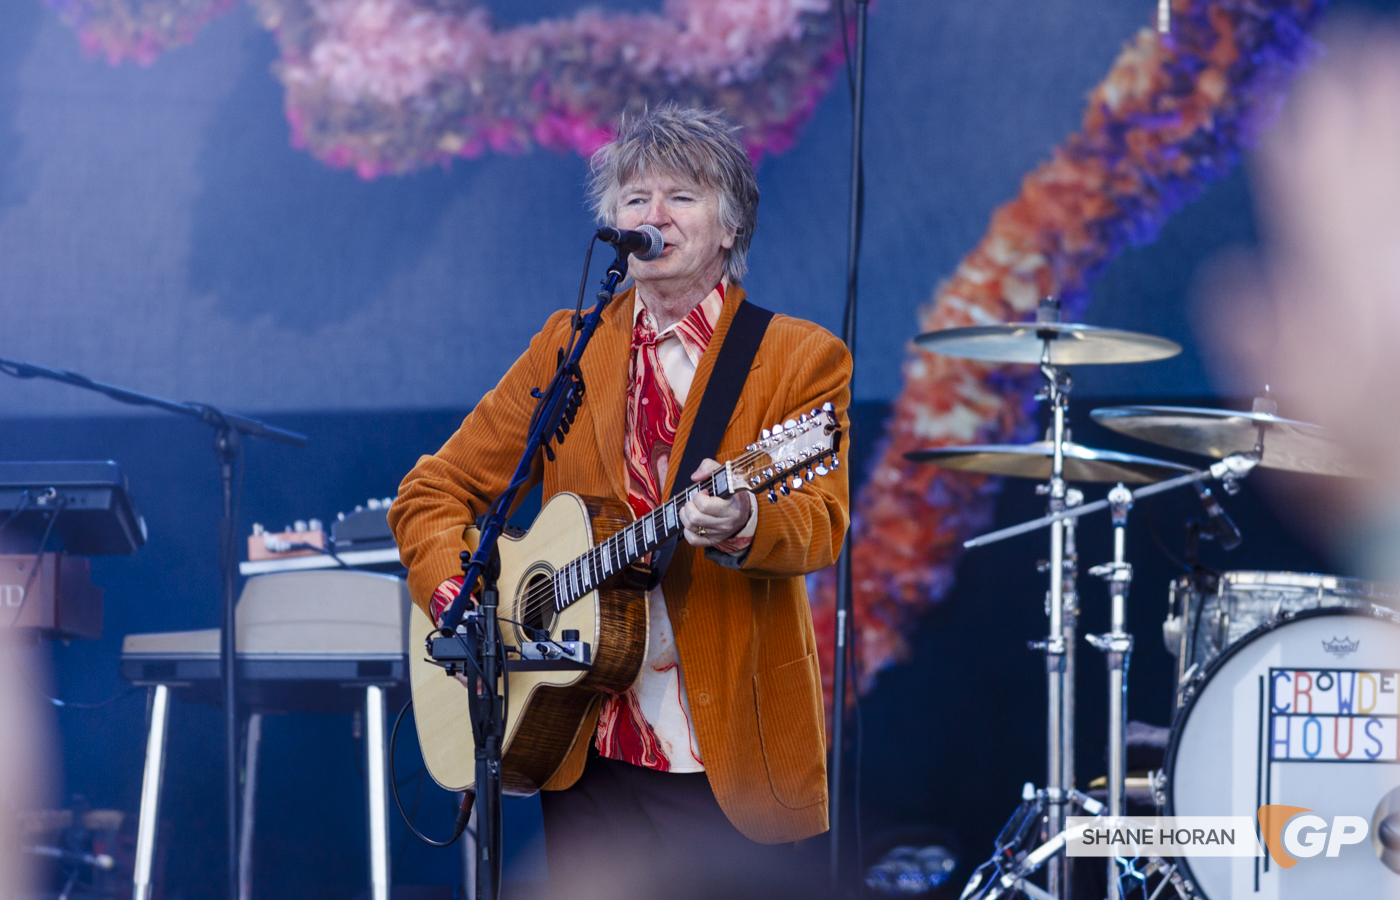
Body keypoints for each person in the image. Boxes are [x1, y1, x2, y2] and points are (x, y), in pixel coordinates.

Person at [388, 104, 850, 898]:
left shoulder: (797, 357)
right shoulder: (572, 345)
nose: (653, 216)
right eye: (636, 199)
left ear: (731, 228)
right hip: (582, 742)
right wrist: (455, 599)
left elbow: (821, 525)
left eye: (683, 197)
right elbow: (433, 491)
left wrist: (745, 522)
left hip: (730, 754)